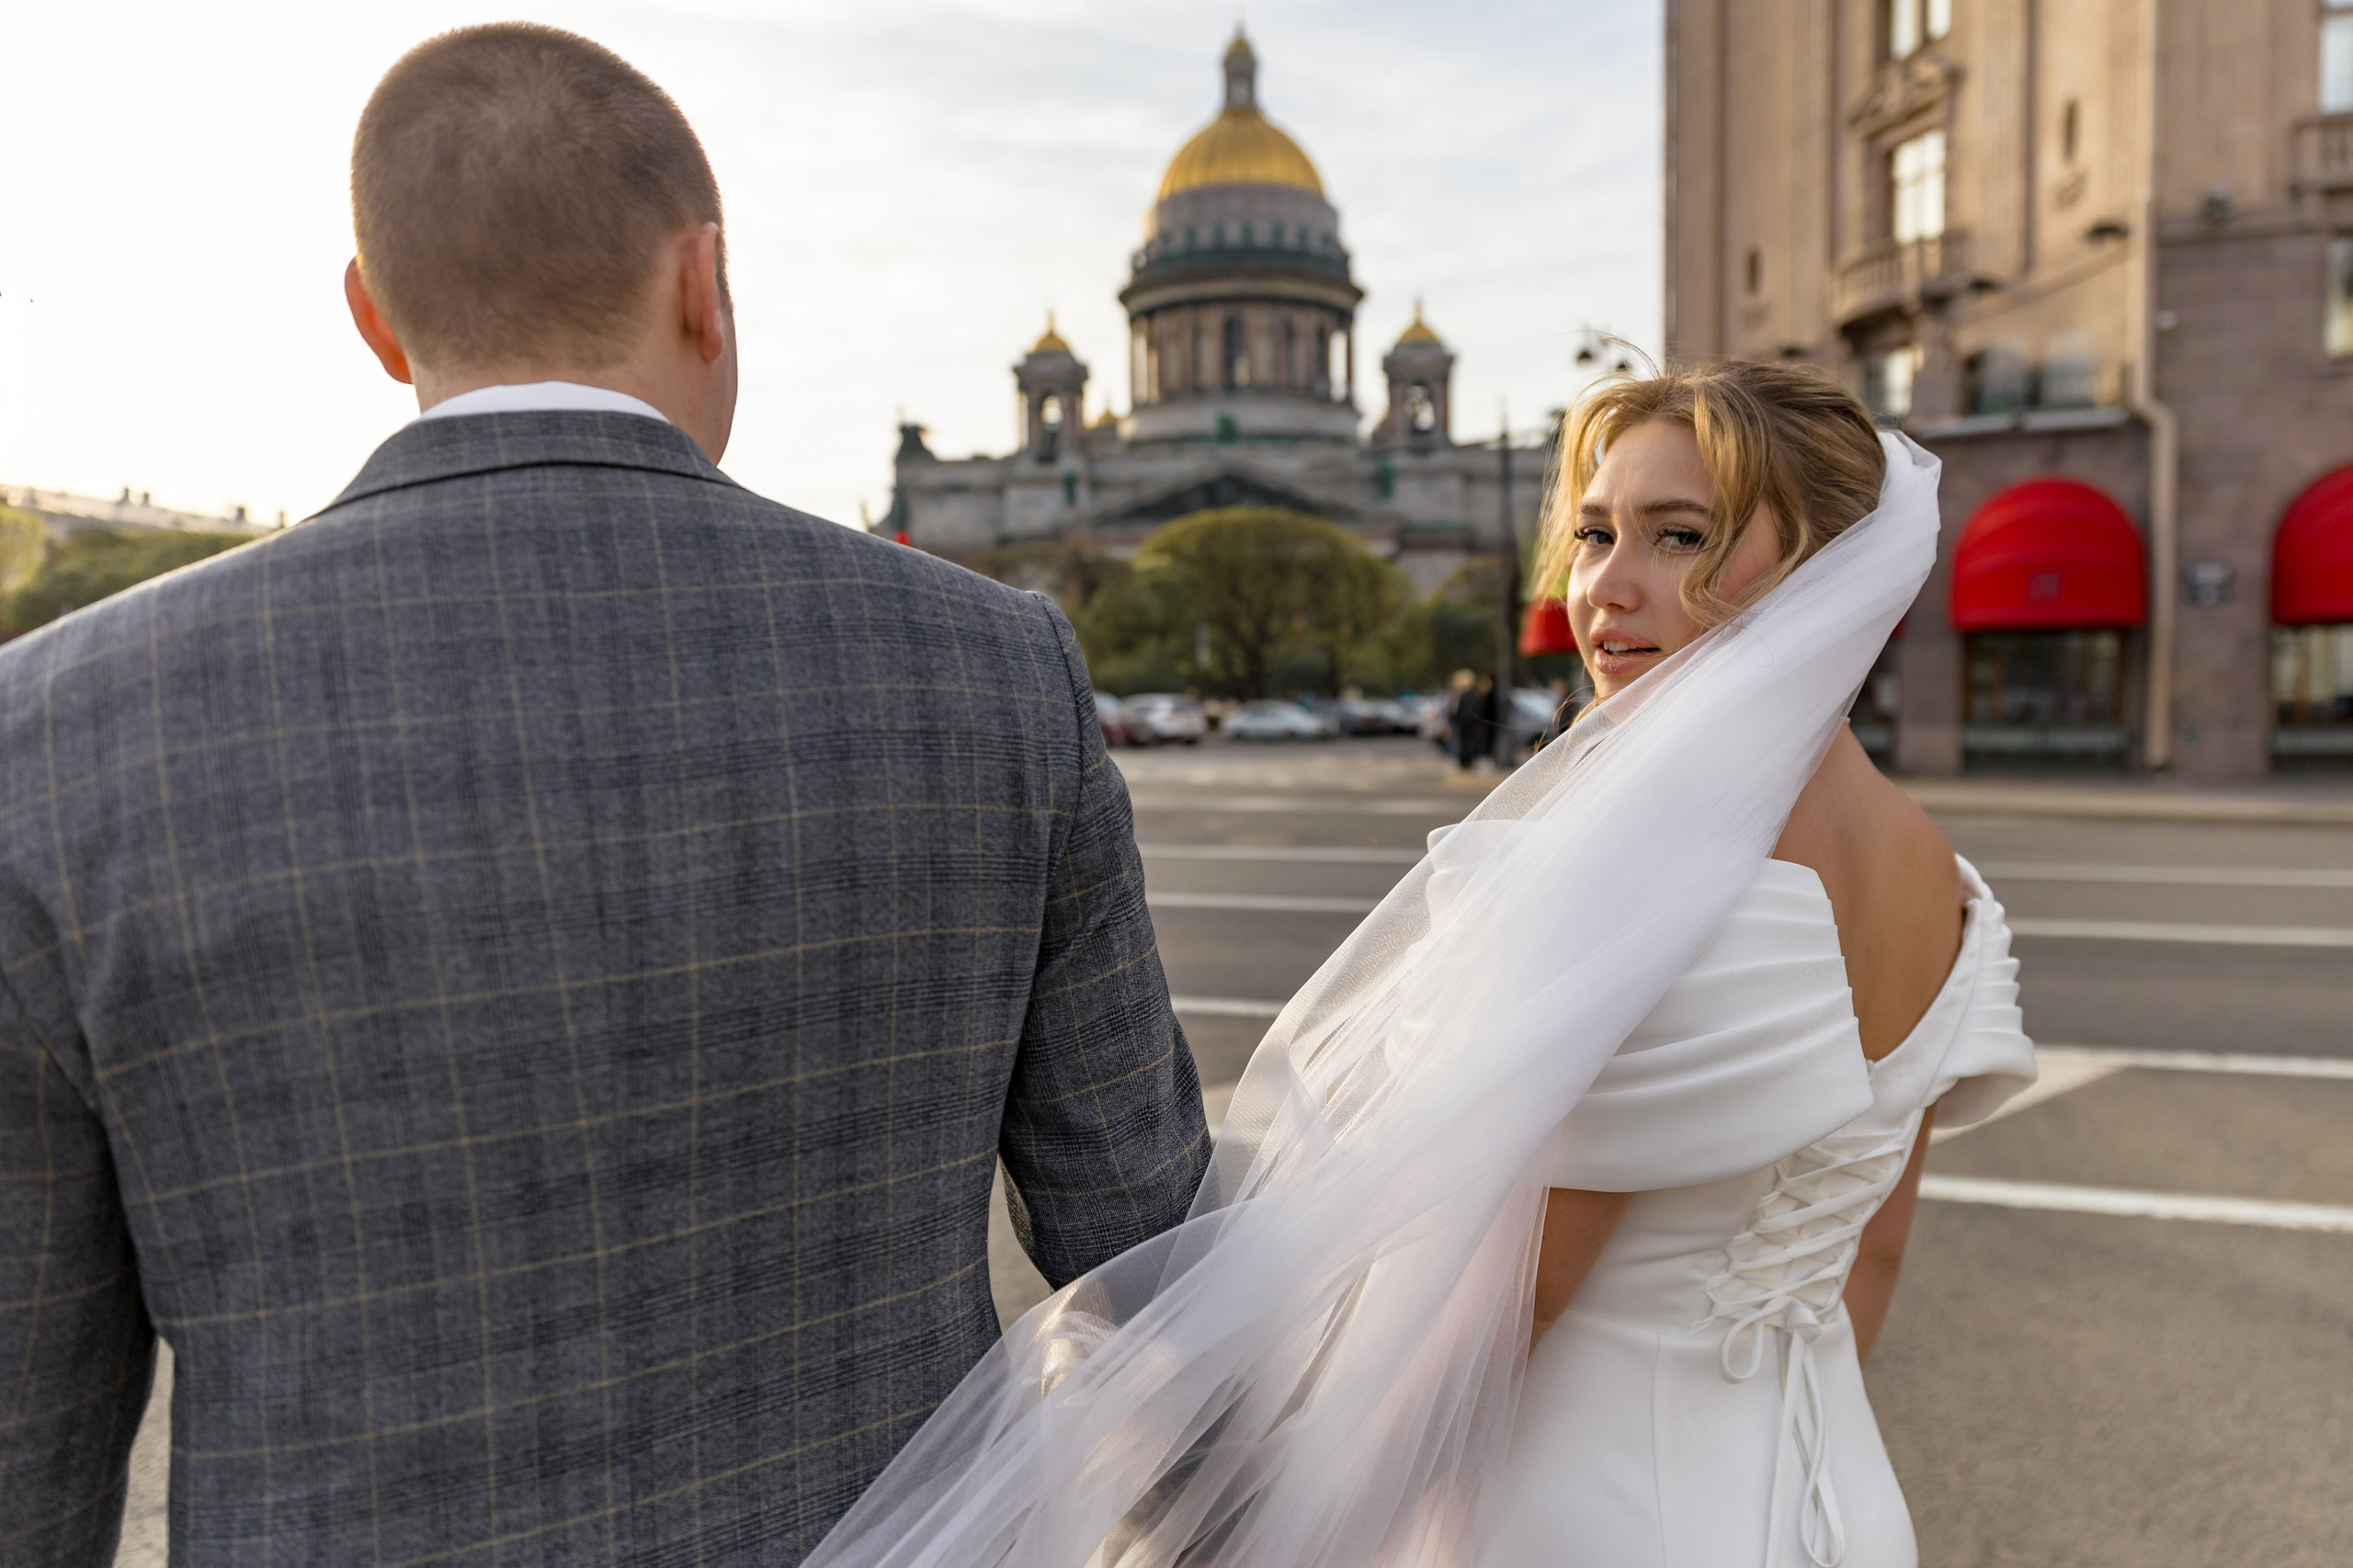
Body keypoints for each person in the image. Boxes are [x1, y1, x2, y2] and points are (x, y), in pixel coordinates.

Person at [0, 25, 1206, 1567]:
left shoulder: (58, 730)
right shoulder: (992, 671)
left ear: (375, 317)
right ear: (702, 280)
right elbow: (1162, 1267)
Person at [794, 362, 2035, 1568]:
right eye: (1597, 533)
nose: (1606, 586)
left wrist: (1293, 1516)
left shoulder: (1647, 872)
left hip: (1579, 1515)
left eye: (1680, 537)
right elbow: (1867, 1257)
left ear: (1824, 565)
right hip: (1835, 1502)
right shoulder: (1938, 874)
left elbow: (1515, 1310)